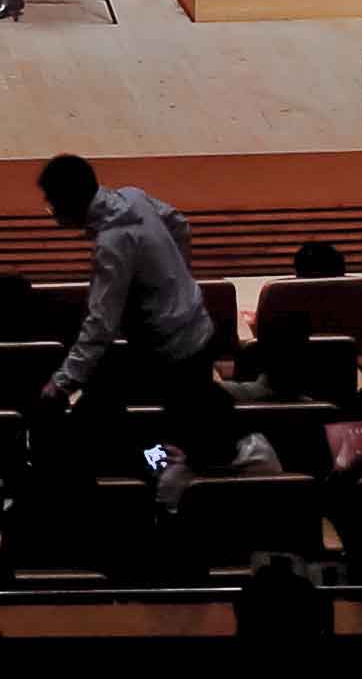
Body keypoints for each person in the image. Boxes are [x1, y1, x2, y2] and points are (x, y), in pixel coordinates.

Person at [32, 152, 231, 478]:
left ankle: (147, 475)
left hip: (172, 354)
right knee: (171, 420)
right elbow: (180, 224)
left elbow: (100, 325)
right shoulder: (133, 196)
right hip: (199, 328)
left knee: (116, 413)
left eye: (53, 204)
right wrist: (175, 279)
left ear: (70, 203)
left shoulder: (112, 245)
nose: (52, 213)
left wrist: (60, 384)